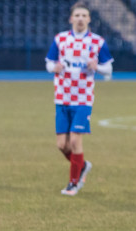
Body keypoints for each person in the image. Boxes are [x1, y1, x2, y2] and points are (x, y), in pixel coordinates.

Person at [45, 2, 113, 196]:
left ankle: (73, 183)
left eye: (84, 15)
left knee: (75, 141)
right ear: (71, 19)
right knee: (61, 145)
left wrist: (96, 66)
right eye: (77, 15)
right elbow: (49, 63)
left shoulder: (97, 42)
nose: (81, 18)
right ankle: (82, 166)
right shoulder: (61, 40)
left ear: (89, 19)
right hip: (62, 97)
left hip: (83, 99)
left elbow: (108, 69)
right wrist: (54, 68)